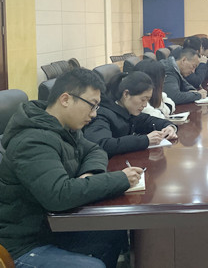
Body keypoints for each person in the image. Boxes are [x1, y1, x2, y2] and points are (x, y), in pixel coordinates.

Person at [0, 68, 142, 268]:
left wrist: (89, 174)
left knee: (115, 230)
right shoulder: (32, 141)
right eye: (91, 105)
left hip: (52, 229)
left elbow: (95, 150)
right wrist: (121, 179)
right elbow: (59, 195)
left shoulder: (64, 128)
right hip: (23, 245)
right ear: (65, 99)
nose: (94, 114)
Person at [84, 71, 178, 158]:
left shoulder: (127, 110)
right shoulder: (102, 115)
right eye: (143, 99)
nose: (145, 105)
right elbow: (102, 144)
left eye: (147, 100)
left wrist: (169, 127)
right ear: (126, 94)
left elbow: (147, 120)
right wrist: (145, 140)